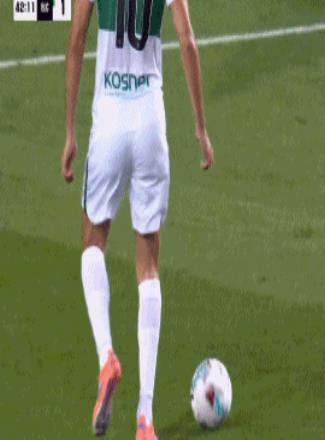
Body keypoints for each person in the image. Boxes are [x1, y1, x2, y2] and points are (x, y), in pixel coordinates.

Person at [60, 0, 214, 438]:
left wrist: (70, 131)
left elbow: (75, 42)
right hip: (150, 121)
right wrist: (200, 129)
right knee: (148, 267)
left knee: (93, 241)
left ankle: (106, 356)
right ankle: (145, 417)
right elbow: (187, 41)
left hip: (110, 118)